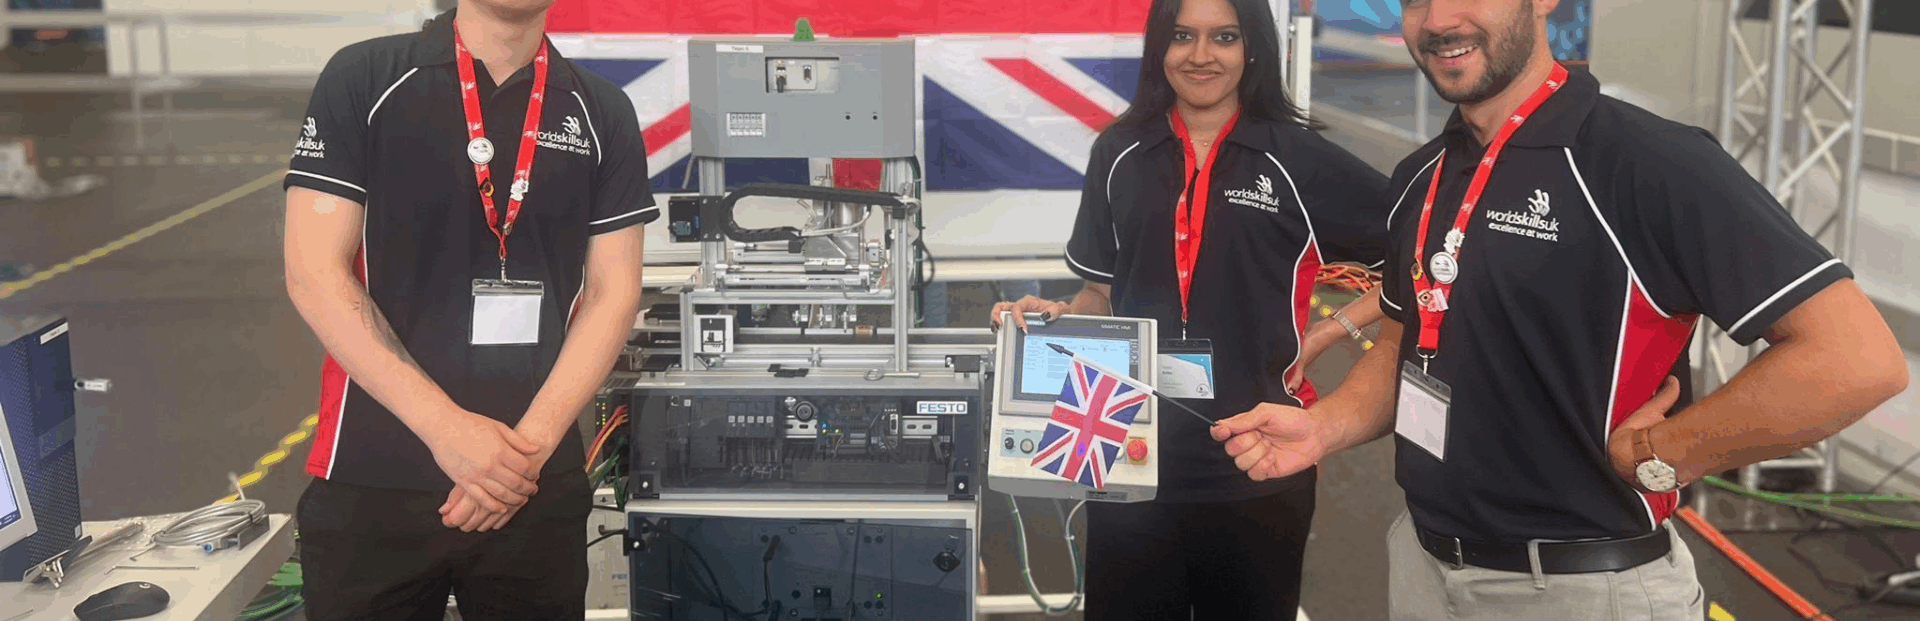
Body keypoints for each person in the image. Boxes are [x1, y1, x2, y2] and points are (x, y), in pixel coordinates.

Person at [1210, 0, 1909, 619]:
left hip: (1584, 590)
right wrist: (1322, 426)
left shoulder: (1644, 161)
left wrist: (1671, 452)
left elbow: (1856, 358)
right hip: (1423, 567)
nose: (1440, 19)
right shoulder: (1419, 176)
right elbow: (1401, 345)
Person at [990, 0, 1391, 616]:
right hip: (1126, 448)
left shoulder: (1298, 157)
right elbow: (1101, 290)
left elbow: (1419, 256)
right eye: (1182, 37)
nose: (1201, 56)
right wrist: (1057, 321)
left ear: (1252, 48)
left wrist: (1328, 331)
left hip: (1260, 453)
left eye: (1223, 37)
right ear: (1159, 47)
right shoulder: (1120, 152)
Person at [281, 0, 655, 617]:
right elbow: (313, 273)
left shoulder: (601, 110)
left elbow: (613, 294)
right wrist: (449, 432)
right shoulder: (365, 78)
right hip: (374, 474)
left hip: (531, 482)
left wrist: (519, 458)